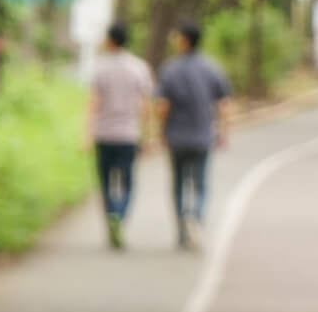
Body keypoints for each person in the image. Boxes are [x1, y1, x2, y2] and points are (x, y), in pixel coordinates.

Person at [156, 19, 232, 251]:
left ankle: (181, 231)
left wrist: (161, 132)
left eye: (178, 37)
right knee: (199, 185)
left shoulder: (170, 69)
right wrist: (223, 132)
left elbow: (162, 107)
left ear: (185, 40)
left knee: (178, 185)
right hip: (202, 137)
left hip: (176, 138)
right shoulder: (212, 68)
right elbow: (223, 105)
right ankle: (196, 219)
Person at [86, 22, 154, 250]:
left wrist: (86, 134)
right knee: (127, 183)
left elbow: (93, 104)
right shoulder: (139, 67)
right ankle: (120, 215)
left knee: (105, 183)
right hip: (128, 135)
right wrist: (148, 136)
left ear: (110, 40)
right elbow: (145, 107)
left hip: (104, 135)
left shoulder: (100, 68)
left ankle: (111, 216)